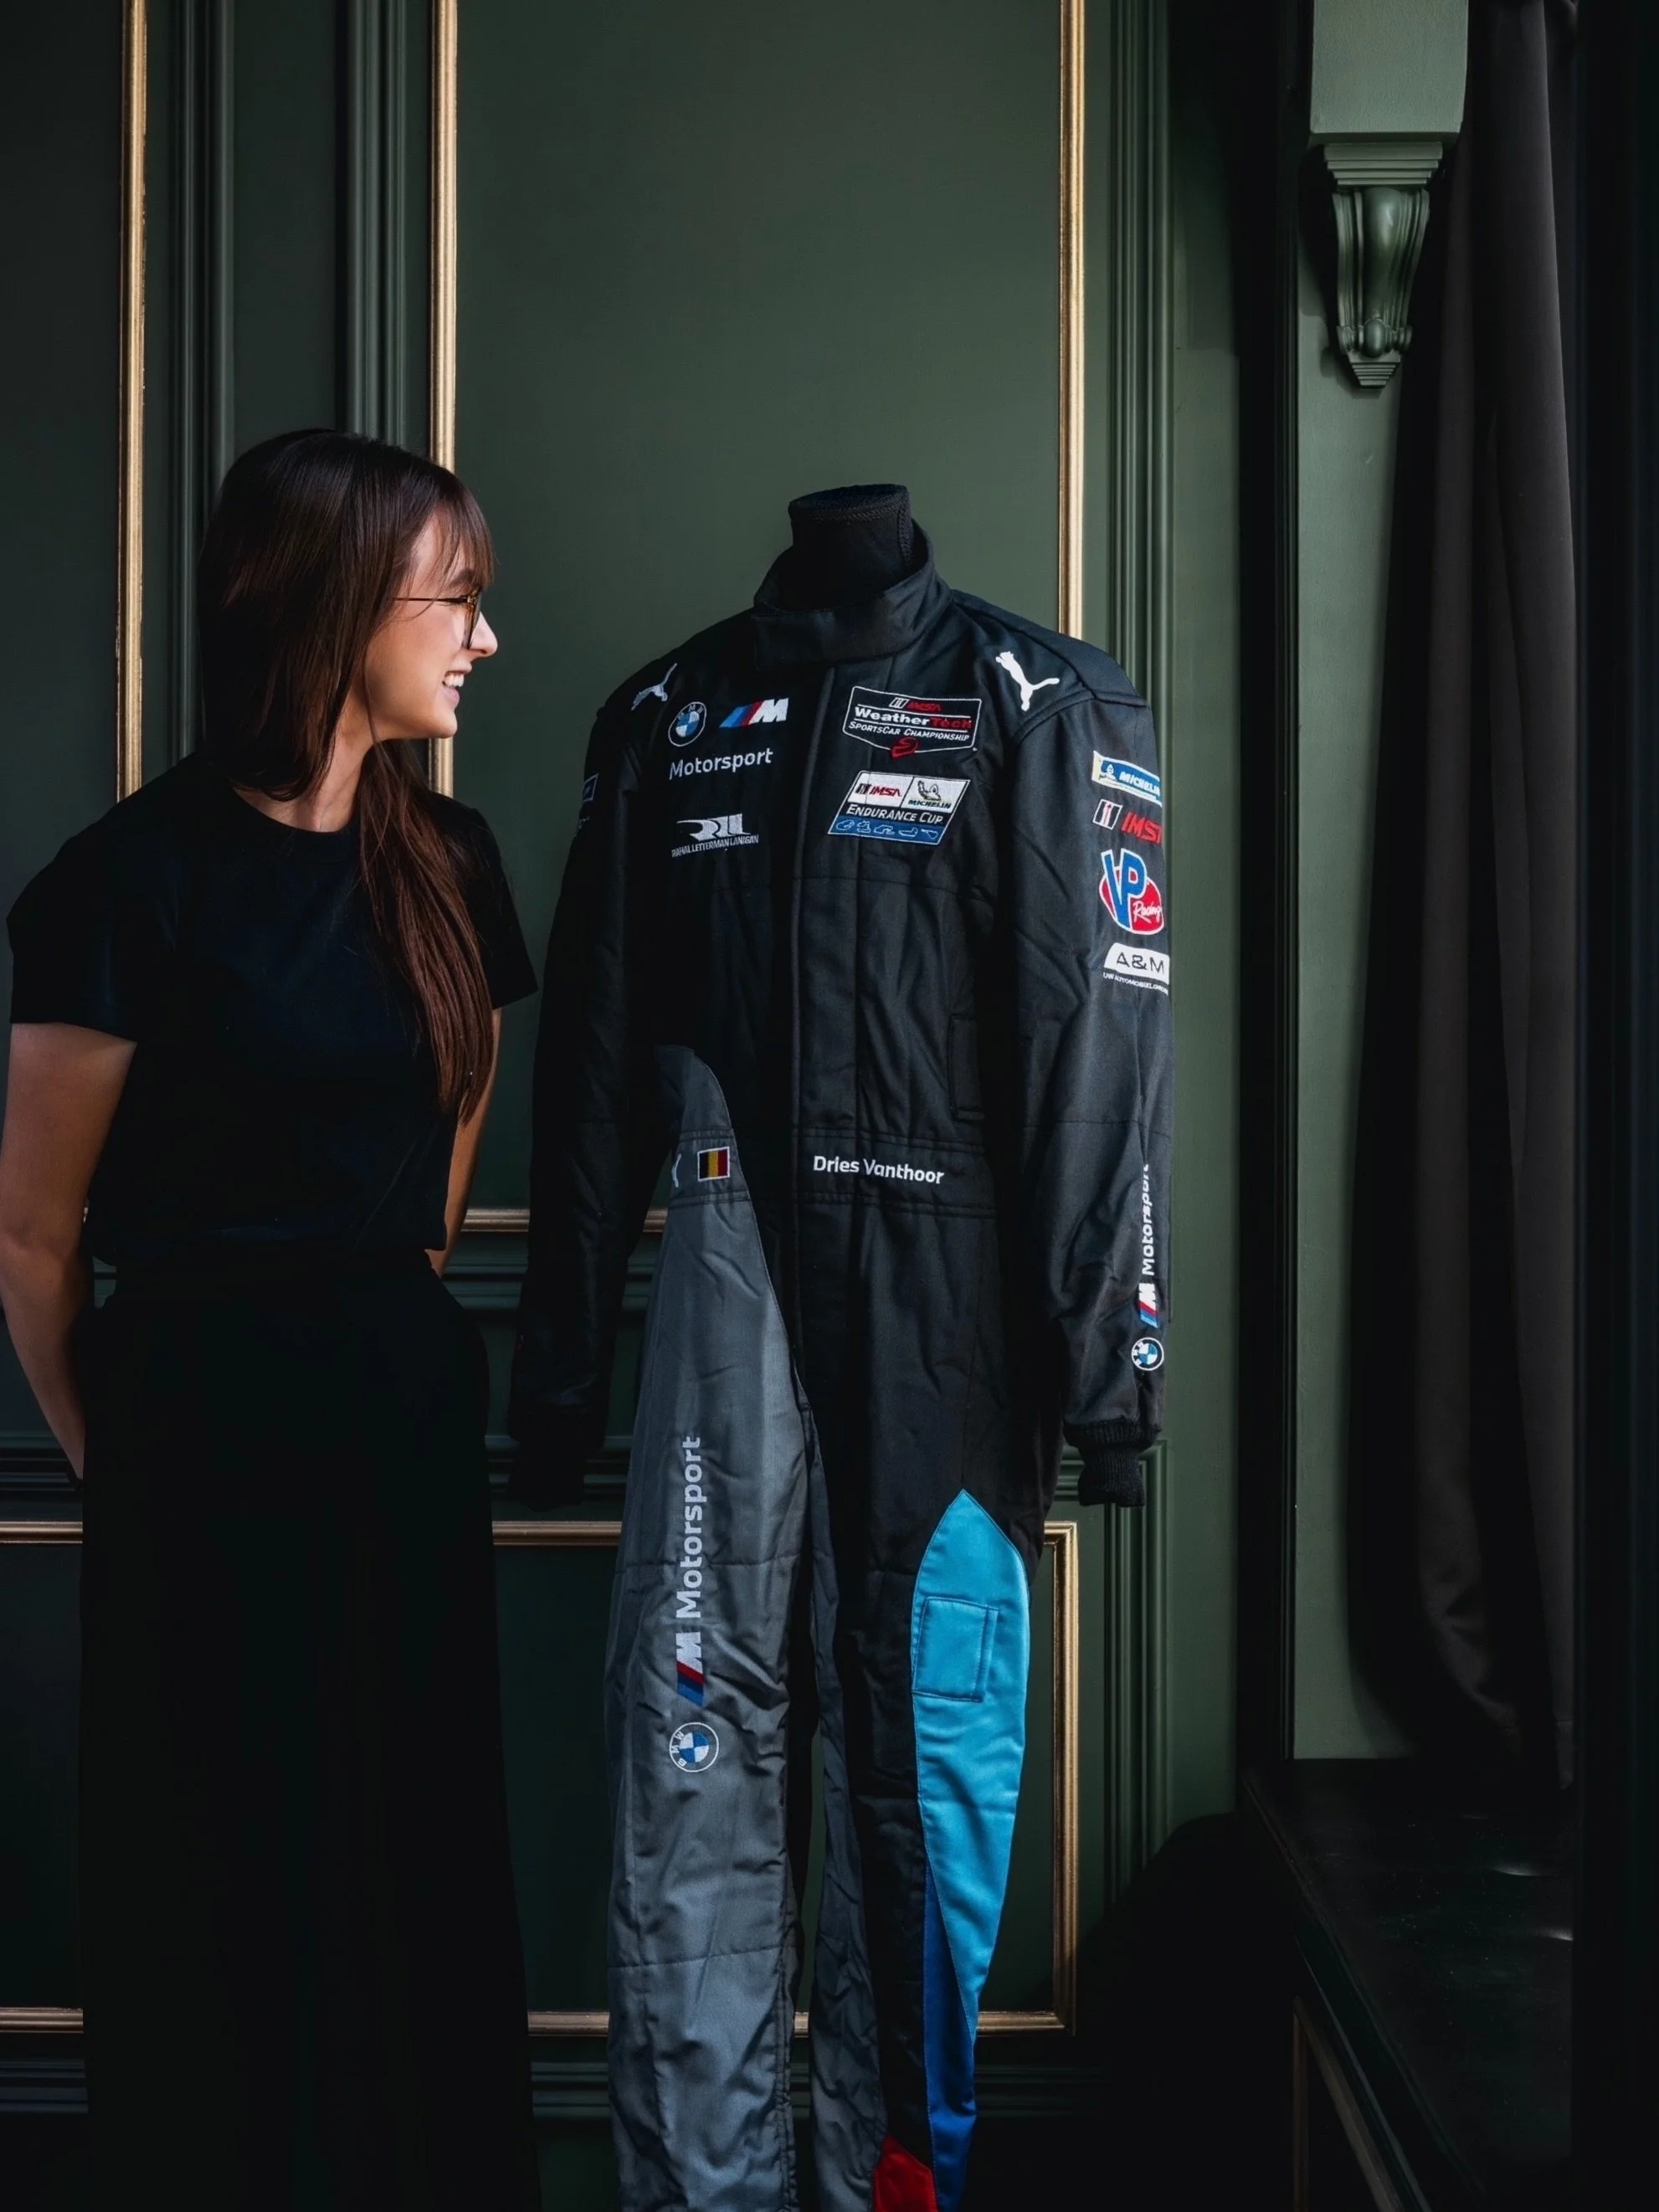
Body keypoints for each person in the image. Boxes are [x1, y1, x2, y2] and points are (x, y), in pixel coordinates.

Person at [0, 430, 541, 2209]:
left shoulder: (449, 859)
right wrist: (132, 1453)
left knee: (409, 1852)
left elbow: (444, 1174)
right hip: (201, 1424)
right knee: (216, 1863)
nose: (481, 637)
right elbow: (32, 1229)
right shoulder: (130, 878)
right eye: (451, 598)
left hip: (393, 1405)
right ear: (323, 606)